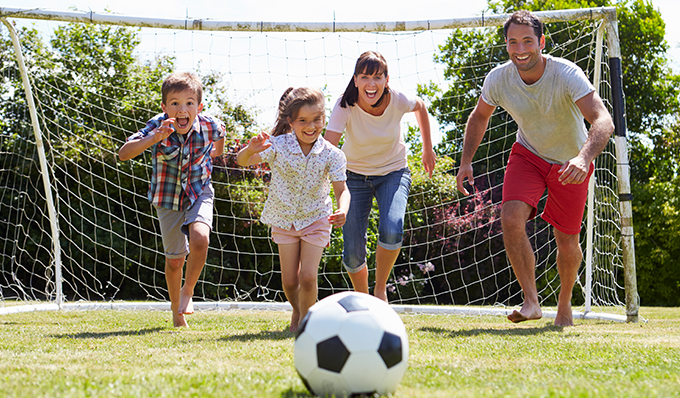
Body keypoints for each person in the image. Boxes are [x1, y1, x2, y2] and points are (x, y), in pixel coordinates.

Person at [456, 10, 615, 326]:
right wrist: (465, 161)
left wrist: (583, 158)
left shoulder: (566, 74)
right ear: (506, 45)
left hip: (571, 161)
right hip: (528, 154)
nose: (520, 49)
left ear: (541, 41)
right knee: (510, 217)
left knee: (566, 239)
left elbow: (603, 120)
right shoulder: (498, 78)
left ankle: (565, 307)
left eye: (528, 41)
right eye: (513, 42)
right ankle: (531, 301)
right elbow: (479, 116)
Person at [325, 51, 436, 302]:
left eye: (377, 77)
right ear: (355, 80)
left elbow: (420, 106)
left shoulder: (397, 99)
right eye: (365, 77)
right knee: (352, 252)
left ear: (387, 79)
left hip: (393, 172)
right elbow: (328, 147)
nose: (371, 84)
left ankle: (380, 288)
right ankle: (363, 298)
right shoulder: (345, 104)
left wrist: (427, 148)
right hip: (353, 177)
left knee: (392, 228)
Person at [237, 87, 350, 332]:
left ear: (324, 119)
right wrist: (250, 150)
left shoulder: (333, 154)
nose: (311, 126)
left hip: (316, 217)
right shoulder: (277, 145)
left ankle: (309, 324)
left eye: (316, 120)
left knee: (308, 277)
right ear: (291, 121)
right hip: (283, 217)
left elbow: (342, 190)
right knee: (289, 281)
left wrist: (343, 209)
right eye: (303, 121)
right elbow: (242, 161)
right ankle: (298, 311)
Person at [119, 72, 226, 328]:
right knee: (175, 260)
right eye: (175, 103)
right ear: (164, 107)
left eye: (189, 103)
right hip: (167, 199)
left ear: (199, 108)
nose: (182, 109)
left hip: (199, 191)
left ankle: (188, 292)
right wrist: (154, 138)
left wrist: (212, 155)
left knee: (201, 238)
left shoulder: (210, 125)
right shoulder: (156, 126)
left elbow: (220, 139)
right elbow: (124, 154)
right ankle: (176, 313)